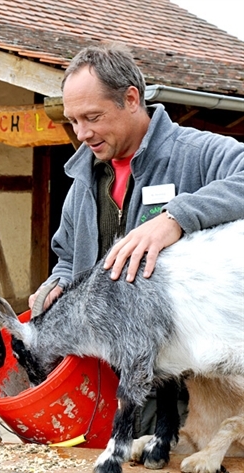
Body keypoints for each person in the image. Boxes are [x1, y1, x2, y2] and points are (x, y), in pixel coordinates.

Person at [28, 43, 244, 436]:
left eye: (92, 117)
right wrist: (58, 284)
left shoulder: (194, 153)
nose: (82, 133)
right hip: (114, 384)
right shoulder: (83, 178)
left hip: (190, 391)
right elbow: (66, 255)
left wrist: (176, 218)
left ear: (130, 99)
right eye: (73, 120)